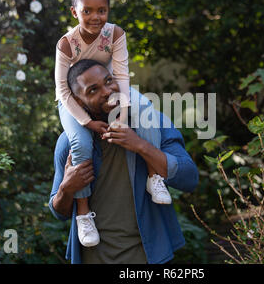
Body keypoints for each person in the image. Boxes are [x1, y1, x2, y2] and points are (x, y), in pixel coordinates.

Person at [54, 0, 172, 248]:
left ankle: (155, 177)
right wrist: (85, 121)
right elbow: (62, 90)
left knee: (144, 109)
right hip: (73, 101)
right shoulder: (66, 44)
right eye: (87, 11)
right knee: (80, 143)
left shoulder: (115, 35)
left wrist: (121, 116)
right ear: (75, 12)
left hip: (110, 89)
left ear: (108, 9)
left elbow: (121, 75)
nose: (95, 17)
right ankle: (83, 213)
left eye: (102, 10)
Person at [49, 59, 199, 264]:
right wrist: (66, 189)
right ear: (78, 102)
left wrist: (141, 145)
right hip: (93, 257)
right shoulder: (70, 143)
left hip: (148, 256)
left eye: (108, 81)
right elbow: (59, 212)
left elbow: (189, 177)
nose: (107, 91)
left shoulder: (152, 125)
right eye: (93, 90)